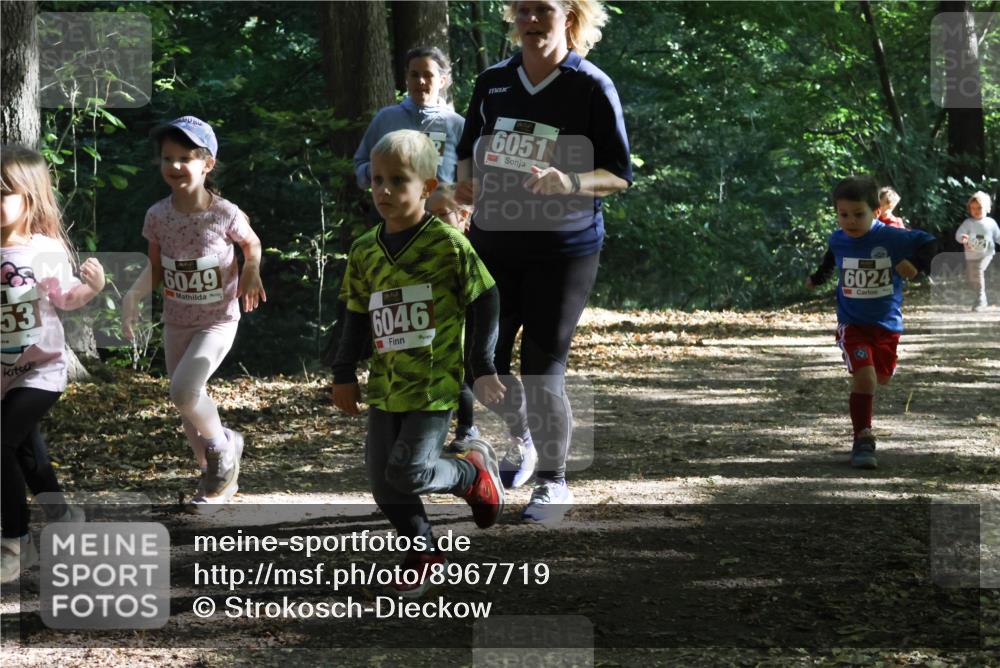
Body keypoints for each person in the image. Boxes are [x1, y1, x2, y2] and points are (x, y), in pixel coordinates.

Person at [455, 0, 632, 521]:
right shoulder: (492, 82)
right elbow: (469, 148)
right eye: (523, 9)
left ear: (570, 16)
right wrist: (465, 182)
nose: (531, 20)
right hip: (494, 245)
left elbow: (619, 175)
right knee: (480, 362)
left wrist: (570, 181)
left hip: (564, 250)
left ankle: (554, 483)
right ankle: (524, 437)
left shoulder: (592, 85)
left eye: (544, 10)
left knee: (541, 370)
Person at [332, 130, 506, 597]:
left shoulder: (447, 245)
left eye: (398, 181)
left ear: (428, 187)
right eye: (377, 180)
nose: (384, 191)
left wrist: (482, 365)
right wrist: (344, 372)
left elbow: (486, 296)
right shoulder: (366, 249)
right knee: (384, 484)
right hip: (387, 383)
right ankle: (423, 553)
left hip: (434, 383)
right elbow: (353, 312)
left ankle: (470, 473)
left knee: (408, 472)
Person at [121, 116, 266, 513]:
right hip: (177, 320)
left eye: (186, 157)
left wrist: (250, 269)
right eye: (168, 158)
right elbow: (155, 266)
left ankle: (221, 450)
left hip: (218, 319)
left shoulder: (224, 213)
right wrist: (133, 297)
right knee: (188, 405)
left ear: (207, 164)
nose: (175, 166)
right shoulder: (157, 215)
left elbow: (251, 245)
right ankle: (215, 474)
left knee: (184, 391)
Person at [349, 47, 479, 449]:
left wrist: (459, 207)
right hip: (399, 236)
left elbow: (472, 180)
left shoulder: (458, 124)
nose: (420, 82)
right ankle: (407, 415)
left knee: (452, 327)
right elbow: (359, 166)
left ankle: (466, 424)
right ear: (404, 78)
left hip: (445, 229)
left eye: (428, 74)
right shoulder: (387, 119)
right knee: (408, 323)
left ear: (444, 79)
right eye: (413, 74)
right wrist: (384, 178)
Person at [1, 145, 103, 583]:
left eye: (3, 192)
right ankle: (62, 516)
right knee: (24, 448)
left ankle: (15, 542)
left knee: (1, 445)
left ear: (30, 196)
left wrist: (91, 288)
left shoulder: (43, 249)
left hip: (42, 370)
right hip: (2, 375)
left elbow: (64, 298)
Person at [808, 176, 936, 469]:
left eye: (858, 214)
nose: (850, 221)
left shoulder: (892, 237)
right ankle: (863, 439)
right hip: (852, 323)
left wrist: (915, 263)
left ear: (877, 211)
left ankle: (865, 424)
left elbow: (929, 242)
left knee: (882, 377)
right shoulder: (839, 238)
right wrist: (818, 278)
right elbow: (832, 257)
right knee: (864, 378)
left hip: (886, 324)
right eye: (843, 215)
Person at [955, 191, 1000, 311]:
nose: (976, 211)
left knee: (978, 272)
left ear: (987, 208)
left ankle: (981, 299)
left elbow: (998, 236)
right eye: (973, 208)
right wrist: (963, 238)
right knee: (971, 277)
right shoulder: (968, 223)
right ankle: (978, 297)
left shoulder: (991, 223)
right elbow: (959, 234)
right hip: (971, 255)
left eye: (979, 208)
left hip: (986, 253)